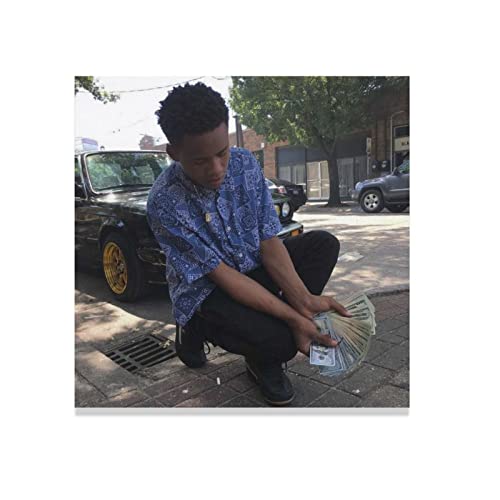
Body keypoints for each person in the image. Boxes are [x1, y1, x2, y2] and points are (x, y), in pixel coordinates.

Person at [147, 82, 350, 406]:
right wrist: (294, 321)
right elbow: (224, 276)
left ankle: (266, 342)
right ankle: (195, 326)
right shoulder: (163, 202)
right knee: (283, 343)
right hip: (210, 288)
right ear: (174, 154)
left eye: (222, 153)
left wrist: (303, 302)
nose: (217, 170)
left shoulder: (244, 164)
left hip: (252, 264)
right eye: (200, 161)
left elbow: (269, 240)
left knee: (323, 244)